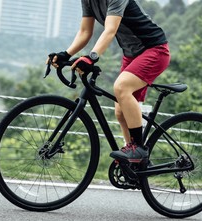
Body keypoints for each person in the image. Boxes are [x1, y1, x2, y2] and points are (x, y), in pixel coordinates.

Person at [49, 0, 170, 164]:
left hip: (154, 50)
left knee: (121, 87)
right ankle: (134, 160)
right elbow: (85, 32)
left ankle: (138, 149)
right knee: (120, 112)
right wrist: (66, 54)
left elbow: (110, 30)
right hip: (131, 55)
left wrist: (91, 58)